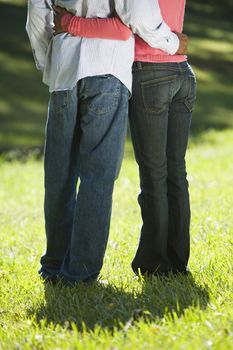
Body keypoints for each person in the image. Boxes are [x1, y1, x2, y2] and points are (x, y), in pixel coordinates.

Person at [26, 0, 188, 285]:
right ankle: (80, 273)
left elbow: (37, 17)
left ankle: (53, 265)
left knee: (58, 175)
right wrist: (173, 43)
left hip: (64, 70)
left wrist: (49, 63)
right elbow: (138, 14)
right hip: (108, 68)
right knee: (97, 178)